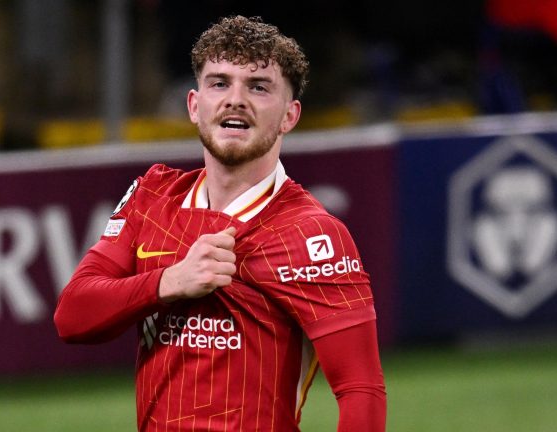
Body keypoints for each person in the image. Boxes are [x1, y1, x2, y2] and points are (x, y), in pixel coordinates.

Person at [54, 15, 386, 431]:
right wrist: (169, 282)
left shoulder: (313, 234)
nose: (235, 100)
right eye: (219, 83)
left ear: (290, 115)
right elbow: (73, 316)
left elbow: (360, 388)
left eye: (258, 87)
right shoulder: (152, 196)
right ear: (195, 106)